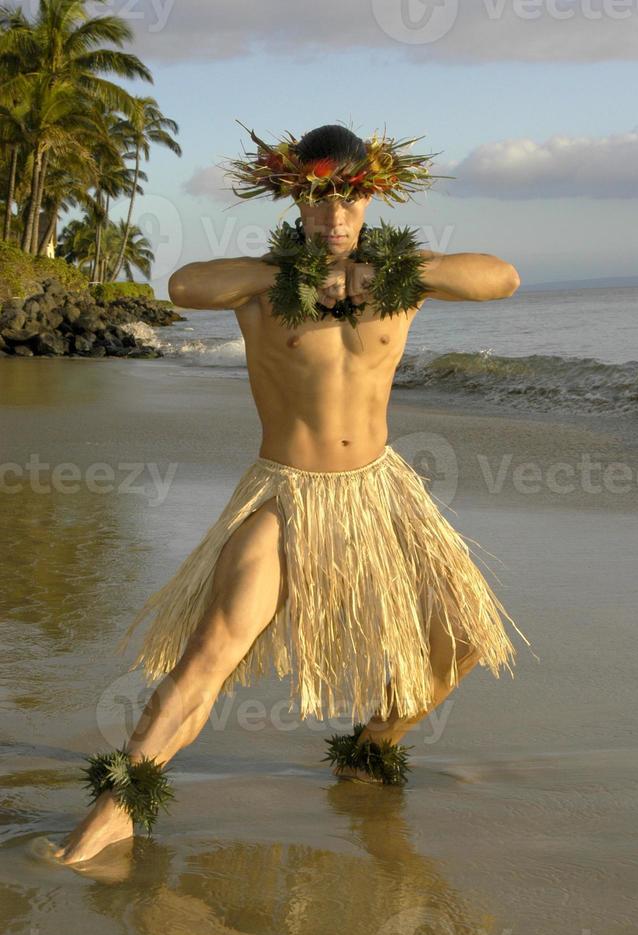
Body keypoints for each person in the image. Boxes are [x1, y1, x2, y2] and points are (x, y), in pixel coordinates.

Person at [52, 122, 530, 865]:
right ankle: (116, 809)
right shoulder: (261, 289)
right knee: (212, 648)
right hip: (285, 495)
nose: (333, 219)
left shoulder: (400, 280)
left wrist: (389, 271)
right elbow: (184, 286)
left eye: (347, 202)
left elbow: (502, 277)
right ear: (295, 200)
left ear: (370, 200)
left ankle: (371, 746)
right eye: (318, 200)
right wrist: (286, 276)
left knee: (461, 639)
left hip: (379, 493)